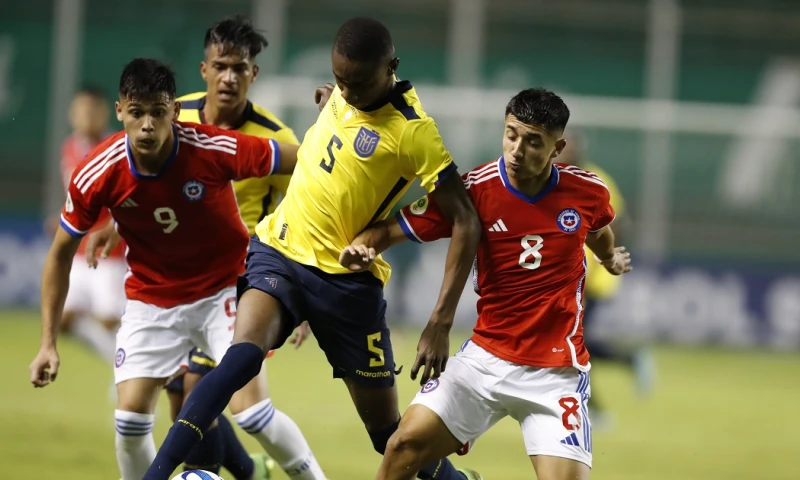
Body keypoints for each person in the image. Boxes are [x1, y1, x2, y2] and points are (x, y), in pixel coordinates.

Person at [144, 17, 483, 480]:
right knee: (238, 359)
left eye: (358, 83)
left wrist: (440, 321)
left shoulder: (413, 133)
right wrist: (333, 98)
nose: (348, 91)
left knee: (386, 434)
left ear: (392, 68)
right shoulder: (343, 92)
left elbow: (463, 219)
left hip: (345, 287)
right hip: (279, 249)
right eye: (340, 79)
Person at [338, 88, 632, 480]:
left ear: (557, 148)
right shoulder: (474, 190)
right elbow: (392, 229)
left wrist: (609, 257)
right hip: (485, 360)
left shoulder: (588, 191)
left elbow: (599, 229)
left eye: (533, 141)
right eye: (511, 134)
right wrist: (364, 247)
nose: (516, 149)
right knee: (402, 446)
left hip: (555, 373)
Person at [28, 58, 302, 480]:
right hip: (153, 298)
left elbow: (304, 162)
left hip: (224, 290)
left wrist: (300, 257)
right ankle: (248, 472)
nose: (147, 125)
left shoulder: (212, 146)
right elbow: (61, 252)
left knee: (250, 411)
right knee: (132, 422)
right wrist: (47, 342)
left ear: (174, 111)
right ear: (120, 111)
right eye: (137, 113)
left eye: (158, 112)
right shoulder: (95, 172)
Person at [559, 127, 653, 426]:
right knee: (574, 341)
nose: (568, 151)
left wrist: (605, 257)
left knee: (574, 342)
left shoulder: (598, 180)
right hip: (564, 277)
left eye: (573, 146)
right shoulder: (552, 180)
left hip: (592, 278)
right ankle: (629, 362)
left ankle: (592, 407)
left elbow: (618, 223)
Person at [45, 85, 123, 364]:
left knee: (109, 320)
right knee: (63, 320)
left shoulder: (117, 147)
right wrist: (60, 216)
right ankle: (120, 365)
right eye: (81, 110)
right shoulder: (69, 147)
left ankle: (127, 370)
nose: (87, 116)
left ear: (106, 113)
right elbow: (78, 196)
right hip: (78, 249)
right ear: (72, 114)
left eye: (93, 110)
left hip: (109, 251)